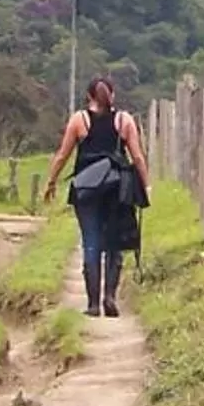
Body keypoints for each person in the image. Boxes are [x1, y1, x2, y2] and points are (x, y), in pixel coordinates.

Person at [39, 76, 149, 318]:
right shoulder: (124, 120)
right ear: (113, 95)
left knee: (91, 241)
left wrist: (51, 182)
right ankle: (110, 296)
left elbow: (62, 155)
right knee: (114, 242)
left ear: (89, 96)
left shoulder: (79, 120)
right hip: (117, 188)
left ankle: (92, 304)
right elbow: (138, 157)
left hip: (86, 190)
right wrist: (145, 185)